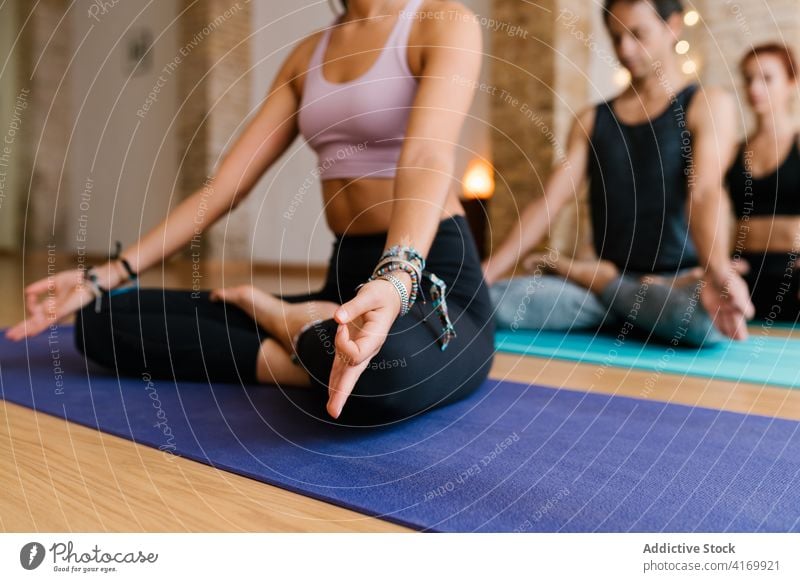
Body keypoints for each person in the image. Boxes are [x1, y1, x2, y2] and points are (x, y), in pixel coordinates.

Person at [5, 0, 495, 426]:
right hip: (346, 278)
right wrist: (104, 275)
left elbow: (427, 158)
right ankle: (307, 339)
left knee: (386, 377)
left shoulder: (443, 22)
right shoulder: (309, 55)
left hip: (430, 277)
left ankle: (290, 325)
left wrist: (396, 277)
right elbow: (224, 188)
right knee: (101, 322)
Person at [482, 0, 754, 347]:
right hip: (612, 280)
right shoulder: (592, 120)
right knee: (493, 299)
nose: (625, 50)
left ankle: (598, 283)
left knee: (701, 320)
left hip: (678, 281)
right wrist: (486, 272)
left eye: (638, 35)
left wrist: (716, 271)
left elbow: (704, 193)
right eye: (616, 38)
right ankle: (621, 298)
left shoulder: (707, 104)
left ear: (673, 26)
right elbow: (550, 202)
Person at [726, 43, 800, 323]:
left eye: (767, 78)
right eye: (748, 78)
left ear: (792, 82)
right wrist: (720, 265)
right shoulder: (732, 152)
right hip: (744, 273)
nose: (755, 88)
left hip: (793, 272)